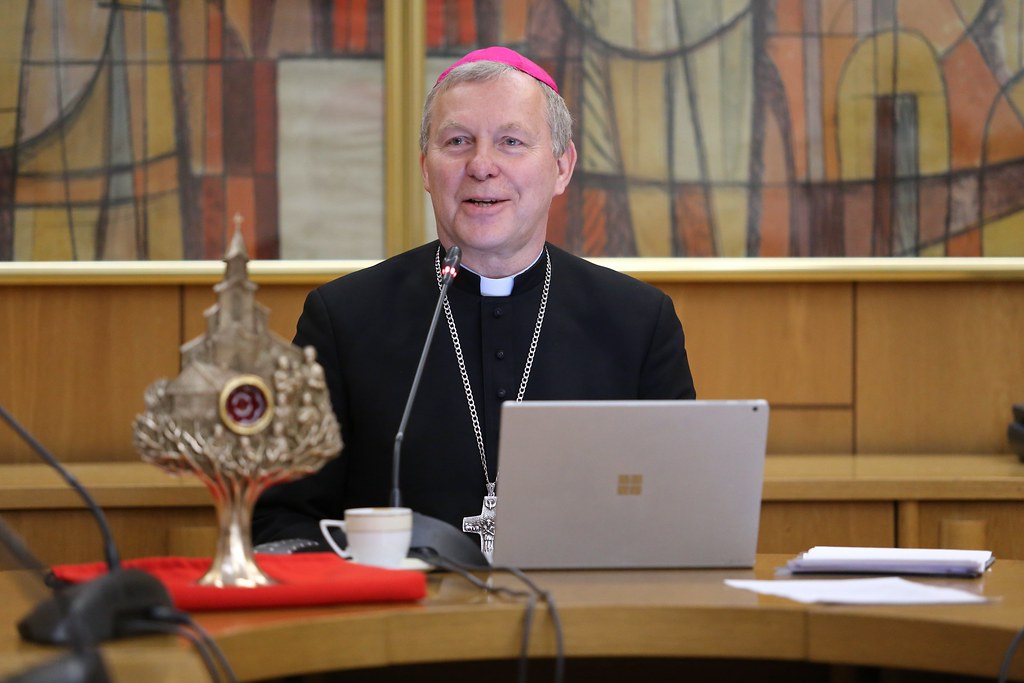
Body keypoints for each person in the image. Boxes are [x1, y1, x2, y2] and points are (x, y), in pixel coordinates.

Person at [252, 46, 696, 552]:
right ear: (426, 168)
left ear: (562, 166)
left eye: (511, 141)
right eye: (458, 141)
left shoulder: (638, 323)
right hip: (401, 603)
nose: (482, 166)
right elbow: (282, 523)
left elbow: (680, 508)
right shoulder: (343, 320)